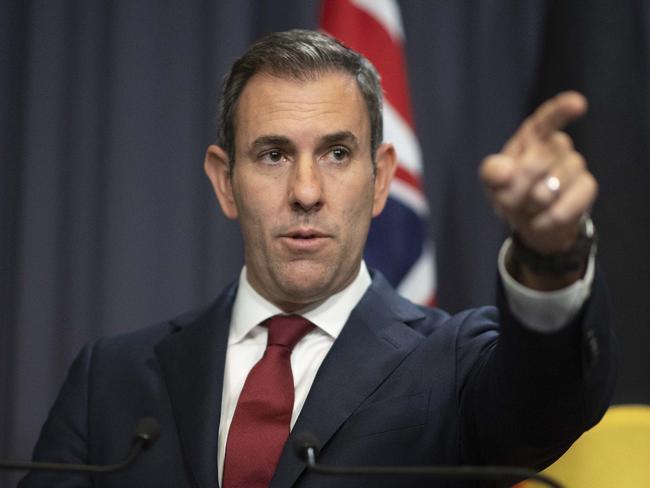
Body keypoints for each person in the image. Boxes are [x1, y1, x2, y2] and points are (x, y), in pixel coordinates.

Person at [20, 29, 615, 488]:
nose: (306, 191)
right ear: (225, 181)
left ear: (380, 179)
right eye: (273, 155)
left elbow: (546, 403)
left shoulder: (453, 367)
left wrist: (550, 255)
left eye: (335, 152)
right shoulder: (111, 380)